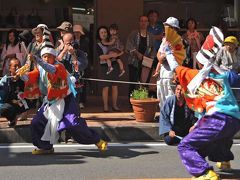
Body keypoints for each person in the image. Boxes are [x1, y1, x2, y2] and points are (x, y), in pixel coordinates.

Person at [162, 26, 240, 180]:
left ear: (199, 64)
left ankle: (204, 173)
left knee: (186, 145)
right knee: (216, 139)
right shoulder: (223, 74)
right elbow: (235, 77)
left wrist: (168, 51)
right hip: (235, 119)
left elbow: (175, 67)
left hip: (216, 118)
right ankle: (223, 160)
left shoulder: (193, 76)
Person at [20, 31, 107, 154]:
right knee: (36, 122)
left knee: (73, 124)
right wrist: (20, 75)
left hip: (66, 99)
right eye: (44, 56)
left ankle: (97, 140)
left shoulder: (58, 66)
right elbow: (30, 78)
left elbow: (50, 68)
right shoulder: (40, 68)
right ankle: (45, 147)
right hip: (50, 101)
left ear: (53, 57)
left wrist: (37, 60)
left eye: (49, 56)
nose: (46, 58)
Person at [126, 15, 155, 99]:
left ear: (148, 23)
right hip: (134, 62)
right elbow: (129, 45)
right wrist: (137, 53)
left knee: (144, 82)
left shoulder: (151, 36)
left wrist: (150, 59)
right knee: (133, 82)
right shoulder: (134, 33)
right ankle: (131, 101)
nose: (143, 23)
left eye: (145, 21)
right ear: (139, 22)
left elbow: (153, 49)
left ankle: (143, 99)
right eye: (142, 21)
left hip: (146, 62)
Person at [156, 17, 180, 108]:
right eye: (165, 26)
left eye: (168, 26)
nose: (165, 28)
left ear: (174, 29)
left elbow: (177, 59)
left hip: (171, 74)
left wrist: (163, 57)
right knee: (160, 96)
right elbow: (159, 55)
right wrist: (162, 57)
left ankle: (170, 118)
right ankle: (163, 117)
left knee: (170, 97)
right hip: (162, 74)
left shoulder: (178, 42)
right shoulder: (164, 40)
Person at [0, 58, 33, 127]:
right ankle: (12, 119)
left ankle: (20, 114)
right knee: (5, 109)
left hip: (20, 102)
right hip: (8, 103)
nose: (18, 68)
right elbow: (2, 98)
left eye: (19, 66)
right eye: (15, 66)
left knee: (28, 103)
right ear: (10, 68)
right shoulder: (5, 80)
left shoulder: (23, 78)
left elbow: (30, 90)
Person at [96, 26, 122, 112]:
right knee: (105, 87)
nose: (104, 34)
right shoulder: (98, 45)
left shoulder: (113, 42)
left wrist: (119, 53)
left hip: (114, 65)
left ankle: (115, 106)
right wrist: (112, 55)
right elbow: (101, 57)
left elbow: (119, 50)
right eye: (101, 32)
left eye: (105, 32)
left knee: (115, 86)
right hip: (104, 67)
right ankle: (106, 106)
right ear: (99, 35)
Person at [73, 24, 89, 109]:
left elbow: (87, 52)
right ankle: (75, 100)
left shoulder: (85, 41)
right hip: (73, 63)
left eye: (78, 32)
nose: (76, 34)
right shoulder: (71, 41)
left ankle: (82, 101)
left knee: (82, 82)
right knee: (75, 82)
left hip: (82, 63)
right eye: (75, 32)